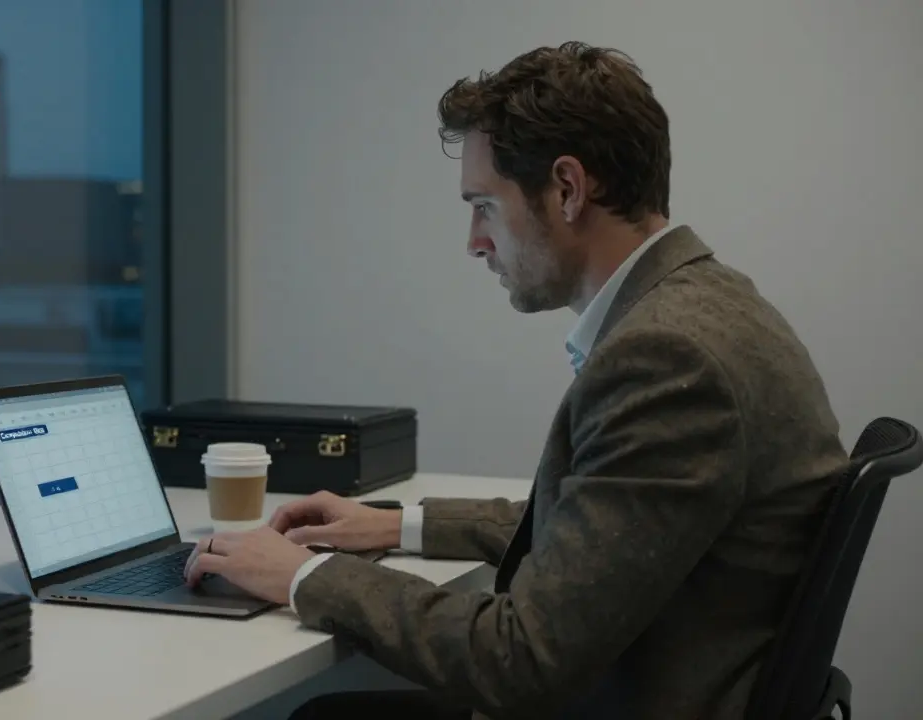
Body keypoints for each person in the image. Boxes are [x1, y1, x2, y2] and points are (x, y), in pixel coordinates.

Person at [182, 42, 849, 719]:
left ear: (567, 189)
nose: (474, 241)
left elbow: (523, 659)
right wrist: (392, 527)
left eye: (485, 206)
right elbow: (598, 529)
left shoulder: (669, 357)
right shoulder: (711, 304)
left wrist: (302, 575)